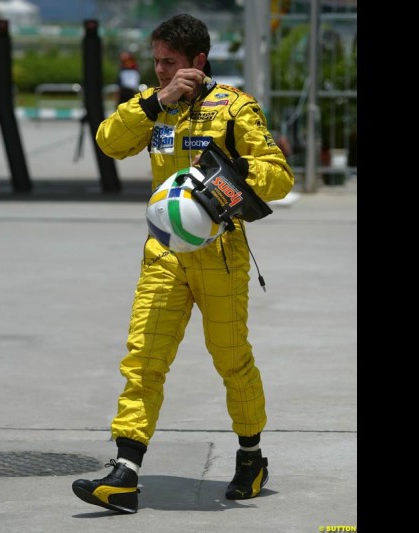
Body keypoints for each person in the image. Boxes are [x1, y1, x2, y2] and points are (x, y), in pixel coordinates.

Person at [71, 13, 294, 514]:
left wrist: (232, 171)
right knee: (143, 358)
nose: (160, 71)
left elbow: (279, 177)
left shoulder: (235, 107)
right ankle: (125, 473)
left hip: (220, 254)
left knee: (231, 360)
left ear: (198, 61)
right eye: (156, 62)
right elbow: (109, 141)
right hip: (164, 252)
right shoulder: (155, 106)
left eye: (169, 63)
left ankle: (251, 456)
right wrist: (157, 102)